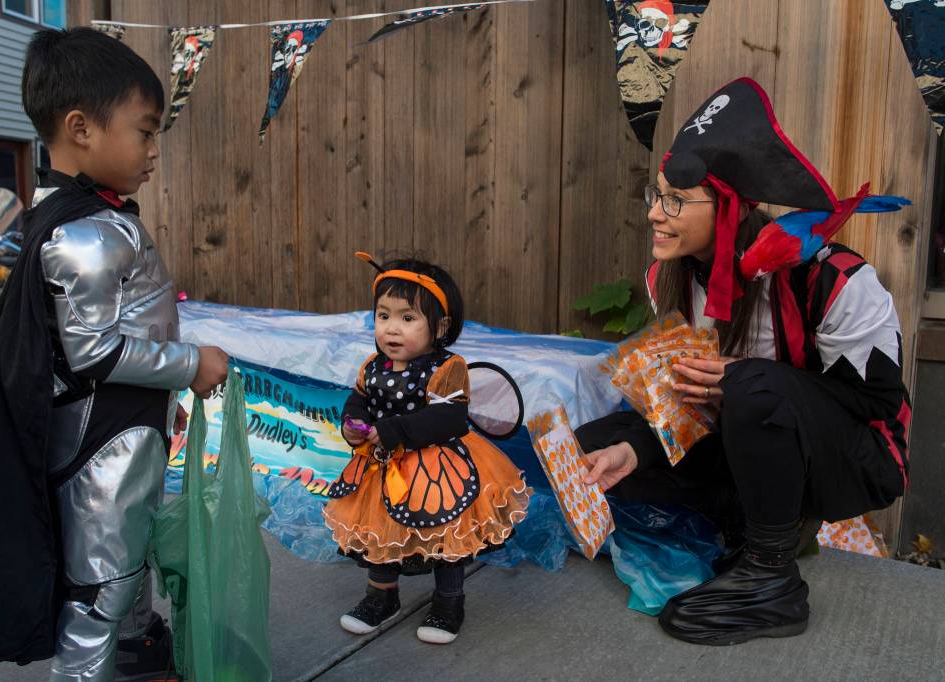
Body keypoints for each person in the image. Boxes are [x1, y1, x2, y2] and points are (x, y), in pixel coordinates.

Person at [575, 77, 910, 646]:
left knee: (755, 386)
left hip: (853, 459)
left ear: (726, 207)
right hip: (746, 439)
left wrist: (737, 382)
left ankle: (772, 576)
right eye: (655, 196)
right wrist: (635, 447)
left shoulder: (836, 279)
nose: (656, 214)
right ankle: (740, 527)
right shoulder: (669, 278)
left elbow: (876, 404)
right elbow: (690, 404)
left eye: (676, 200)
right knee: (600, 443)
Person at [0, 28, 230, 680]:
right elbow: (95, 351)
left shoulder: (81, 219)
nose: (153, 152)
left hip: (123, 431)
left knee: (126, 556)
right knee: (101, 591)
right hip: (102, 447)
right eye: (144, 133)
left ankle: (140, 652)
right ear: (81, 128)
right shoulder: (85, 233)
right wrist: (191, 364)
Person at [323, 254, 531, 644]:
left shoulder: (446, 367)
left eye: (407, 318)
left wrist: (393, 430)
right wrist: (353, 424)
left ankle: (448, 602)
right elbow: (359, 400)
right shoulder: (373, 365)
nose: (391, 329)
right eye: (383, 316)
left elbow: (450, 419)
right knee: (378, 532)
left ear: (440, 326)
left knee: (445, 534)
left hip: (437, 467)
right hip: (382, 466)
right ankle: (381, 598)